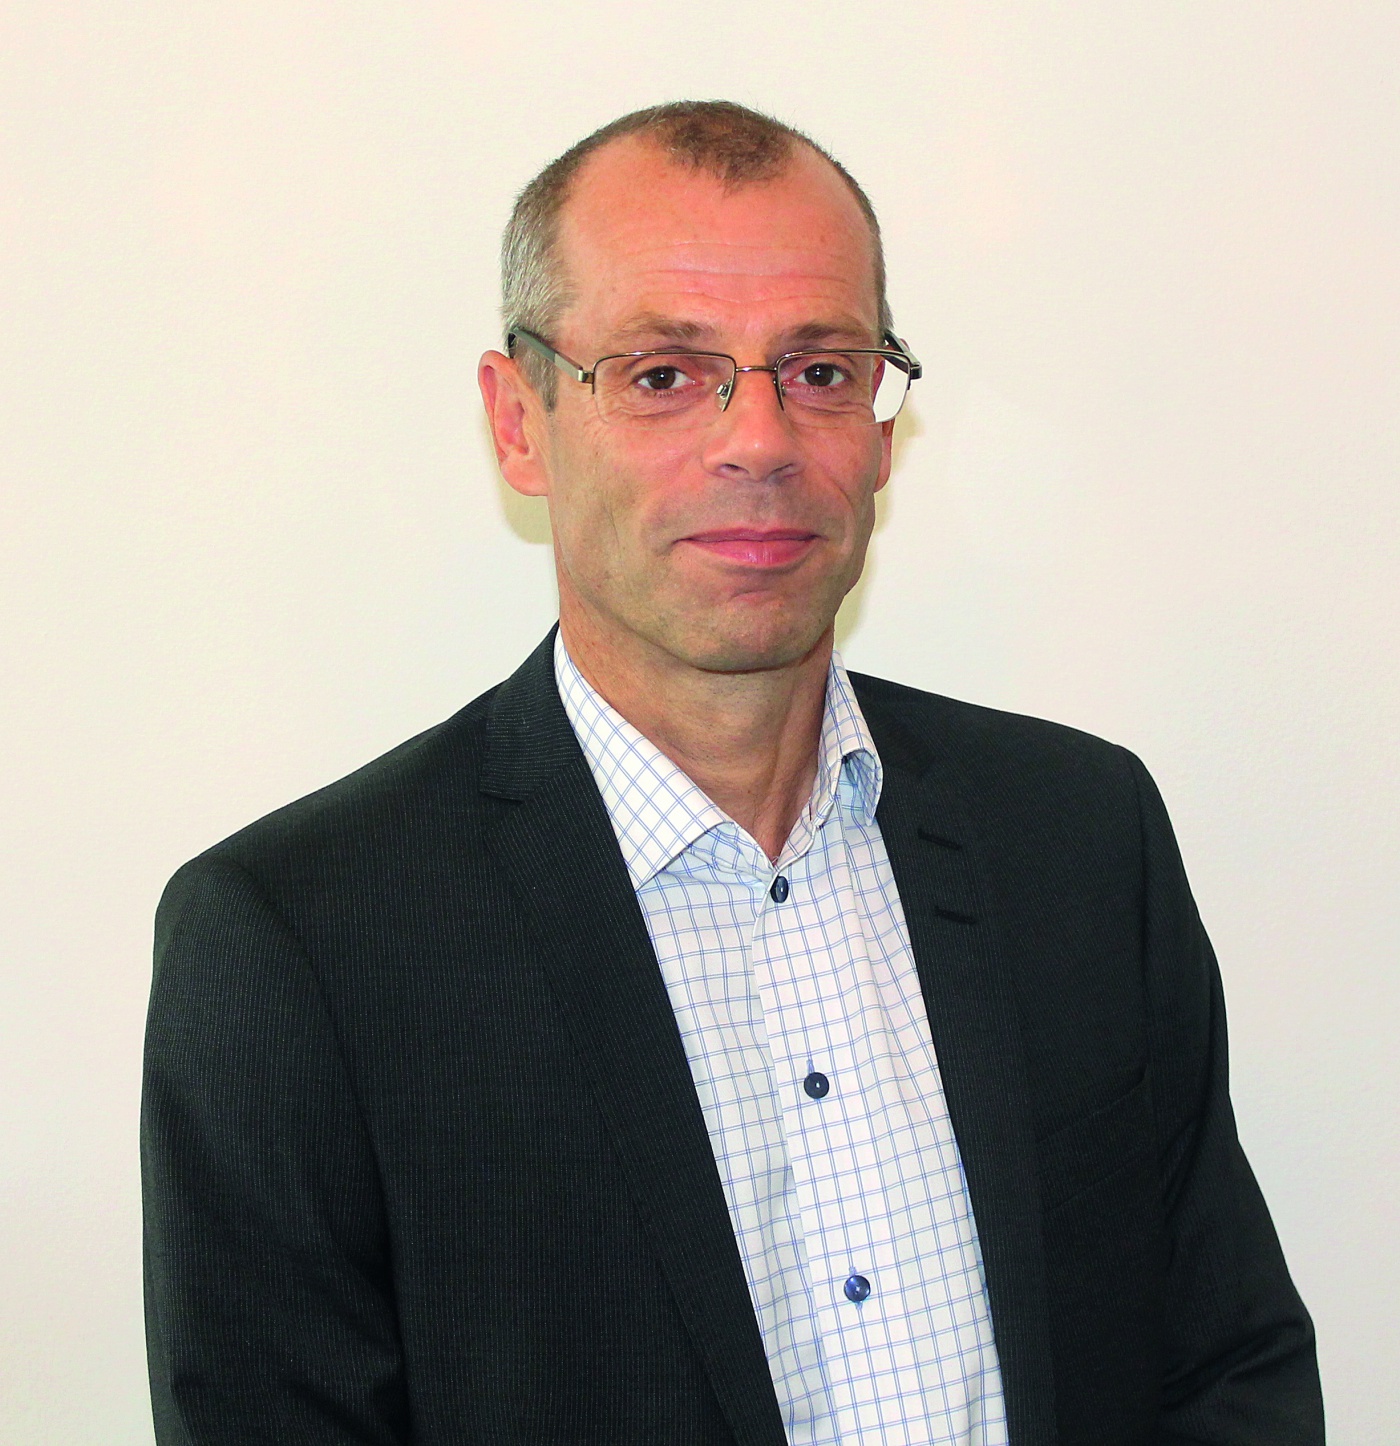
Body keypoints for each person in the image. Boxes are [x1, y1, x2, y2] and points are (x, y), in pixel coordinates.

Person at [141, 101, 1323, 1446]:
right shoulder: (298, 946)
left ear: (881, 424)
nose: (759, 438)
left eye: (819, 370)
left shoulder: (1079, 836)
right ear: (520, 422)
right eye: (663, 373)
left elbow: (1228, 1367)